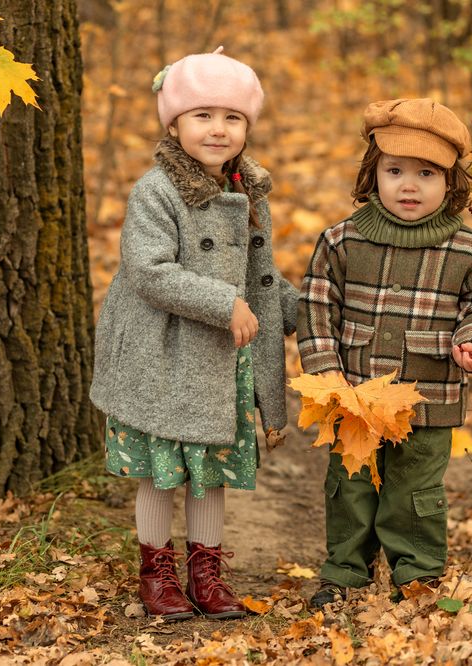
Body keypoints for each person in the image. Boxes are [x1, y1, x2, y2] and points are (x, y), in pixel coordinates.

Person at [90, 47, 298, 621]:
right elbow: (148, 270)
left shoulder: (251, 193)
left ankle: (206, 573)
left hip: (218, 359)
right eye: (202, 115)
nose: (218, 129)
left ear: (247, 127)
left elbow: (261, 278)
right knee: (161, 471)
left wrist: (305, 311)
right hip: (163, 353)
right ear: (174, 121)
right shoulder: (157, 190)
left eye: (232, 117)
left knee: (210, 473)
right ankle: (156, 572)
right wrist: (221, 301)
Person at [296, 98, 472, 607]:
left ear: (451, 182)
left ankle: (415, 576)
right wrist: (326, 373)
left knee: (414, 494)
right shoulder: (341, 241)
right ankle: (344, 574)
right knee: (349, 487)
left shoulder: (469, 251)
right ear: (373, 175)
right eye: (395, 171)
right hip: (352, 398)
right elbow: (315, 305)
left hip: (428, 399)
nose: (409, 185)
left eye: (426, 173)